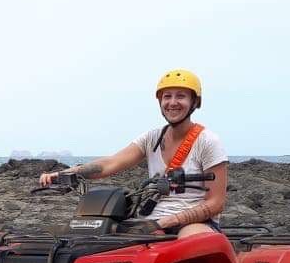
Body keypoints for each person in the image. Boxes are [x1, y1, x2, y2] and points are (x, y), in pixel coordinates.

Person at [39, 69, 229, 237]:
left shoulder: (208, 141)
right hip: (151, 221)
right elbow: (110, 163)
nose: (172, 102)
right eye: (166, 96)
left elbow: (216, 203)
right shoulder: (151, 138)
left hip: (194, 223)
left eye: (181, 96)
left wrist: (162, 223)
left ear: (195, 101)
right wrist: (63, 174)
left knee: (190, 243)